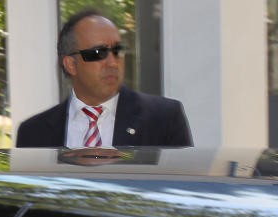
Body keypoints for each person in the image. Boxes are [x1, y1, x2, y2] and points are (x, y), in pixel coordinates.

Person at [15, 9, 192, 149]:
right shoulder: (33, 133)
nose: (112, 63)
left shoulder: (164, 119)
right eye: (98, 53)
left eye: (117, 51)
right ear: (71, 64)